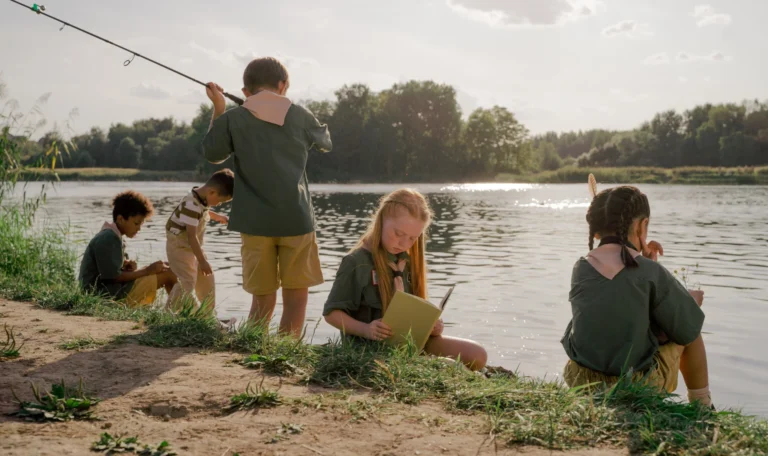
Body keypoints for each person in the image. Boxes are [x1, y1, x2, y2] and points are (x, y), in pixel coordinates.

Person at [202, 56, 332, 337]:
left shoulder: (233, 118)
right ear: (283, 85)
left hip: (254, 223)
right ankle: (287, 349)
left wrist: (220, 108)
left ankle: (255, 345)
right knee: (296, 296)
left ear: (245, 91)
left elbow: (213, 153)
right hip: (296, 220)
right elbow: (325, 143)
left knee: (262, 297)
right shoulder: (300, 115)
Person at [561, 183, 712, 407]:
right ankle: (703, 406)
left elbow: (620, 303)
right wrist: (692, 301)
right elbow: (686, 326)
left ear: (596, 230)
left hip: (581, 379)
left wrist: (648, 265)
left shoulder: (581, 267)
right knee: (691, 327)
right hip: (634, 385)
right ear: (643, 226)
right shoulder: (650, 272)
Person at [322, 189, 487, 371]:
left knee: (477, 355)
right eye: (398, 234)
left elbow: (411, 310)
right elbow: (331, 314)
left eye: (412, 238)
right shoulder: (356, 263)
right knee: (448, 366)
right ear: (381, 221)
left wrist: (430, 325)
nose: (404, 244)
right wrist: (366, 329)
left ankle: (423, 361)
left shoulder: (405, 261)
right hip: (370, 349)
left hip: (408, 343)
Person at [79, 191, 177, 306]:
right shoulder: (108, 238)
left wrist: (126, 267)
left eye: (141, 224)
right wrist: (147, 270)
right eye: (136, 223)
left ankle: (176, 310)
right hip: (104, 297)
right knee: (169, 272)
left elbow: (110, 271)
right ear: (120, 219)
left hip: (111, 291)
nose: (139, 229)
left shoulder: (114, 235)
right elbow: (114, 277)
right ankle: (180, 312)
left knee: (167, 266)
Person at [166, 169, 234, 313]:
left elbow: (203, 211)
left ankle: (207, 315)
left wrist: (217, 217)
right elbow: (191, 236)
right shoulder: (191, 204)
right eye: (220, 201)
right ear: (212, 192)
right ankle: (169, 312)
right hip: (179, 247)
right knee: (187, 281)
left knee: (207, 279)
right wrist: (202, 261)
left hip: (192, 247)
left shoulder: (201, 198)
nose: (219, 204)